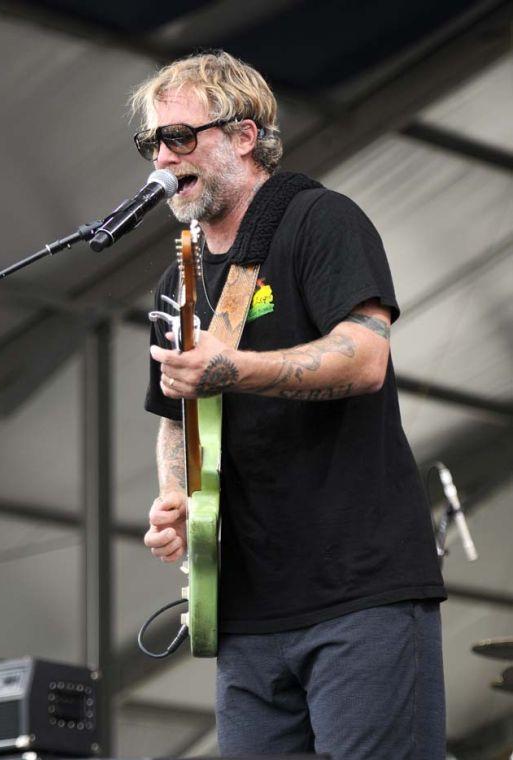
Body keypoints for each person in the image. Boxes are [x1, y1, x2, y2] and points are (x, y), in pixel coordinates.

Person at [134, 51, 447, 759]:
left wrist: (232, 367)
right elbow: (171, 411)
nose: (161, 156)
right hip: (243, 611)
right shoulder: (174, 277)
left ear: (243, 135)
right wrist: (173, 495)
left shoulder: (318, 220)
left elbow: (365, 358)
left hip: (359, 594)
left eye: (179, 137)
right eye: (152, 142)